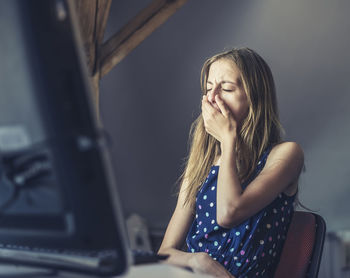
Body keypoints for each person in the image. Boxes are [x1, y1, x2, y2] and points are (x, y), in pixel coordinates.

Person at [158, 47, 304, 278]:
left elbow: (229, 213)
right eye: (208, 88)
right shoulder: (201, 163)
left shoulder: (286, 154)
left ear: (254, 97)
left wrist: (228, 140)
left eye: (226, 88)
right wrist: (197, 260)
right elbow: (165, 252)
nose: (213, 97)